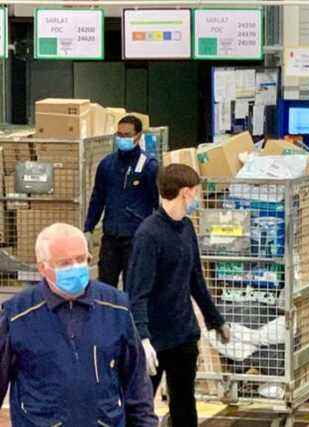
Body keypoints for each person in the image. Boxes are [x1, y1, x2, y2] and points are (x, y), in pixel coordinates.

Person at [0, 223, 157, 426]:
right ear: (43, 268)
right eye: (65, 263)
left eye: (81, 259)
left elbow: (137, 384)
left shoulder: (116, 307)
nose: (75, 267)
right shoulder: (17, 316)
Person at [126, 164, 231, 427]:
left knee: (184, 404)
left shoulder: (186, 227)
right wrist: (143, 338)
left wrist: (215, 320)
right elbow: (137, 293)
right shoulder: (148, 235)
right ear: (185, 192)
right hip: (155, 339)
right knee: (139, 404)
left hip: (183, 333)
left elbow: (196, 279)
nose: (197, 197)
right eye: (196, 191)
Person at [84, 115, 159, 287]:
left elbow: (157, 202)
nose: (122, 139)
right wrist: (88, 227)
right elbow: (98, 198)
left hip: (136, 238)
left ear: (138, 136)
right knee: (105, 287)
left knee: (133, 287)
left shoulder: (149, 166)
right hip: (111, 237)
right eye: (119, 134)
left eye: (127, 135)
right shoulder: (107, 164)